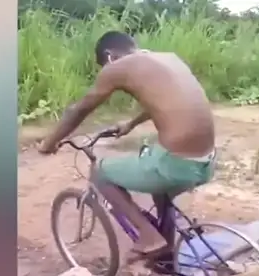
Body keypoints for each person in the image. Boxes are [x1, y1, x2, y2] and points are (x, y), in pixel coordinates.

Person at [38, 30, 216, 263]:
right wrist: (131, 124)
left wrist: (48, 144)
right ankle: (167, 250)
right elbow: (163, 101)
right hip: (206, 162)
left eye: (103, 66)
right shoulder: (168, 59)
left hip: (176, 164)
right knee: (153, 162)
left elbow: (78, 110)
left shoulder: (117, 66)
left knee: (100, 173)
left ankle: (149, 237)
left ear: (109, 56)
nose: (105, 71)